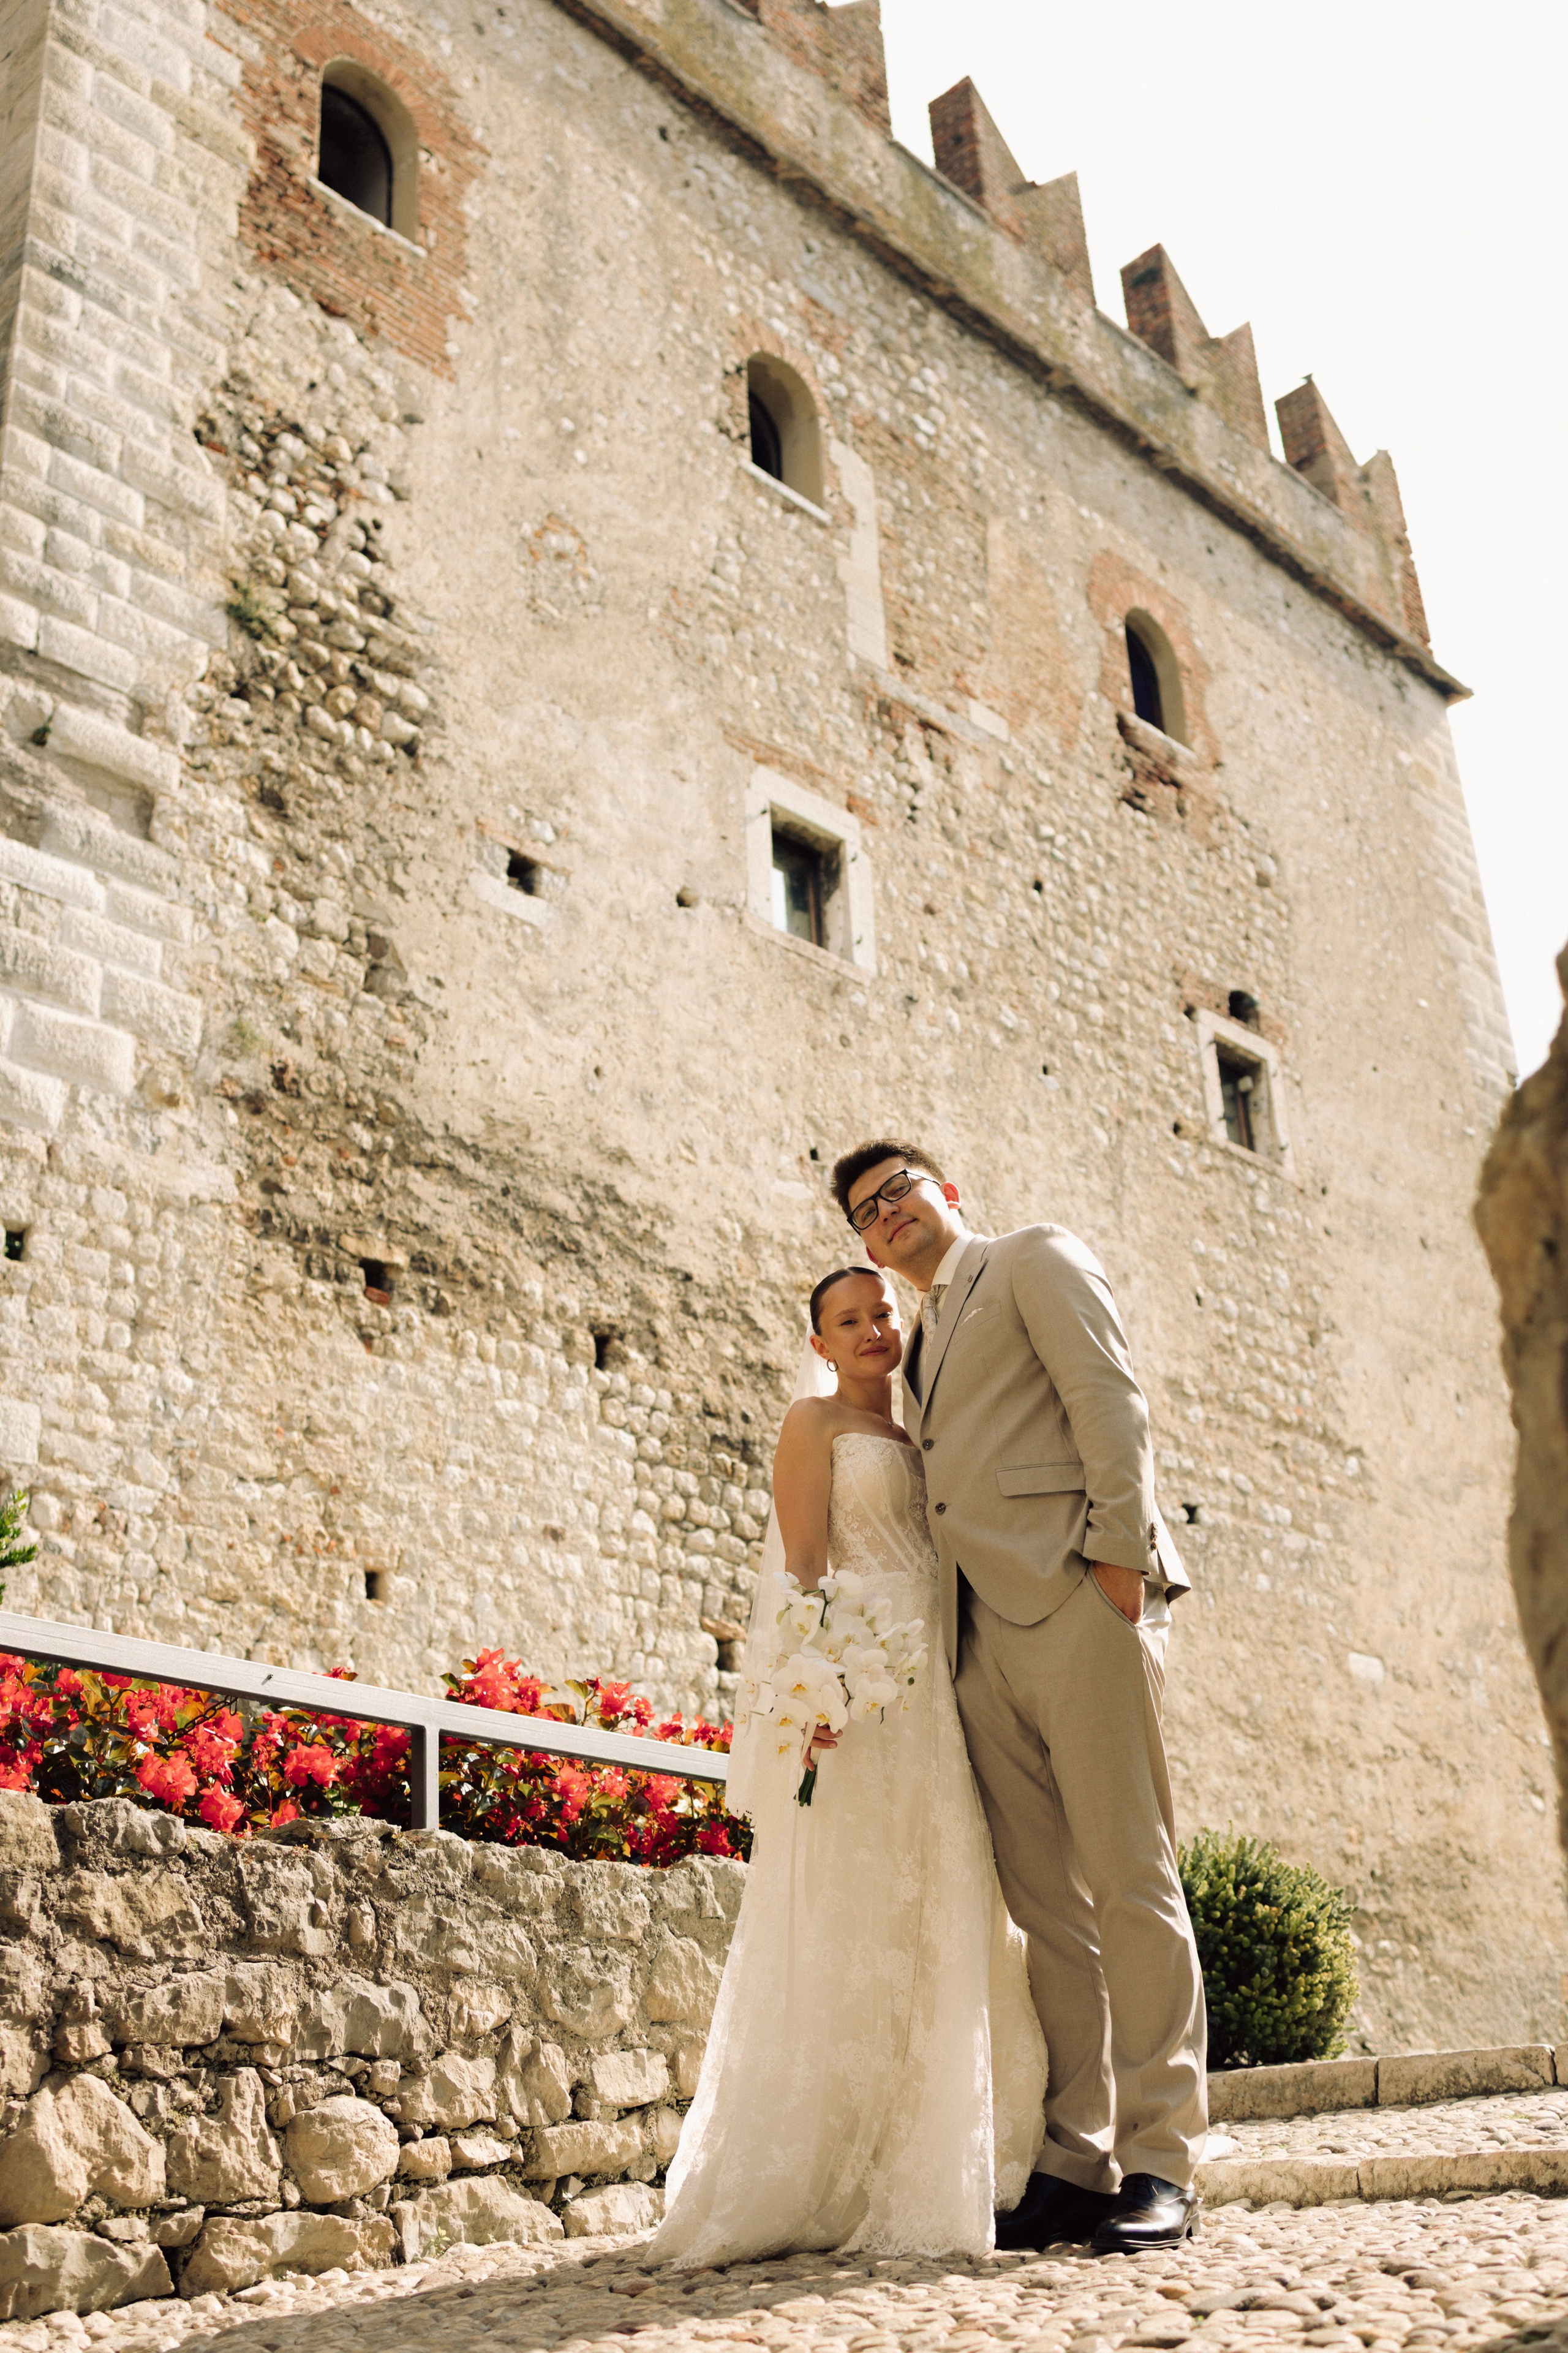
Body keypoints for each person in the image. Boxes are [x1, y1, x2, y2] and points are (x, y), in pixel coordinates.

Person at [832, 1140, 1205, 2257]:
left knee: (1131, 1879)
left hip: (1078, 1603)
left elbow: (1108, 1397)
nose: (886, 1212)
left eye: (901, 1189)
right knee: (1050, 1915)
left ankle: (1165, 2158)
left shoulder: (1033, 1257)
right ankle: (1077, 2157)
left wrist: (1117, 1567)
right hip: (978, 1642)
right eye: (865, 1211)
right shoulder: (920, 1348)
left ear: (949, 1193)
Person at [648, 1265, 1046, 2266]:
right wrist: (809, 1692)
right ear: (820, 1342)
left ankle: (953, 2153)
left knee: (947, 1898)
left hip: (942, 1695)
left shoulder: (928, 1432)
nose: (874, 1328)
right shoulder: (812, 1424)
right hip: (860, 1701)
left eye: (885, 1312)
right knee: (855, 1905)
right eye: (849, 1320)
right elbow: (801, 1569)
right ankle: (827, 2164)